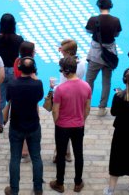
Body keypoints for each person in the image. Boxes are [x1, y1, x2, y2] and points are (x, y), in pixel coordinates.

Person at [48, 54, 90, 193]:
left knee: (60, 155)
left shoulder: (60, 89)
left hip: (62, 126)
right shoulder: (86, 86)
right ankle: (78, 182)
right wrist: (81, 120)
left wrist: (57, 123)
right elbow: (87, 108)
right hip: (78, 125)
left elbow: (55, 111)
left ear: (64, 71)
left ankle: (60, 183)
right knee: (79, 154)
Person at [4, 56, 44, 195]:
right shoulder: (38, 84)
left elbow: (8, 98)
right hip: (33, 125)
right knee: (36, 157)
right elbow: (39, 98)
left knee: (15, 158)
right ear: (33, 70)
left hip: (16, 125)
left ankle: (14, 189)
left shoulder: (12, 84)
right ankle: (38, 188)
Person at [84, 0, 121, 114]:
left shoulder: (93, 20)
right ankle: (102, 108)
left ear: (99, 5)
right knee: (106, 81)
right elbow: (116, 34)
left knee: (89, 80)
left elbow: (89, 31)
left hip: (95, 54)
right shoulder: (115, 20)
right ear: (110, 6)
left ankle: (86, 106)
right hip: (109, 55)